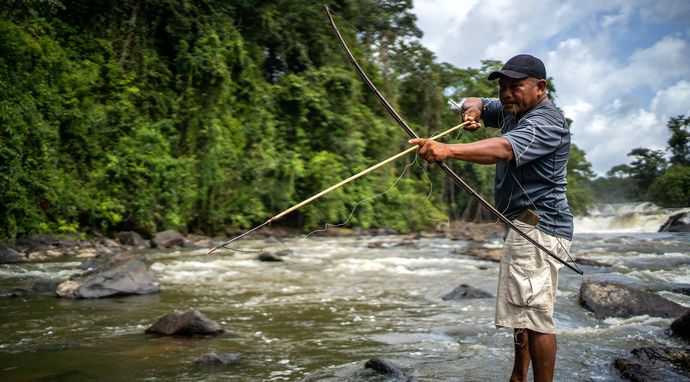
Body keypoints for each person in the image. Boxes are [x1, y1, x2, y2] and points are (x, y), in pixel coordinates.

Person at [409, 54, 573, 382]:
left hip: (539, 230)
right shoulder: (511, 108)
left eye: (515, 86)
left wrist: (448, 150)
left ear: (540, 88)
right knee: (522, 310)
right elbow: (475, 101)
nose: (506, 94)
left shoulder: (547, 121)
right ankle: (517, 377)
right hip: (524, 227)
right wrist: (471, 112)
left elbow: (503, 149)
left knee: (536, 317)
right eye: (502, 87)